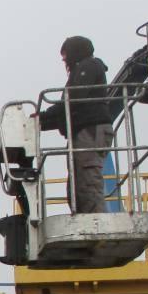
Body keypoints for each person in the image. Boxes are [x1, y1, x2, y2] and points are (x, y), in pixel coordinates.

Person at [38, 36, 114, 213]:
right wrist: (42, 120)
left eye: (65, 54)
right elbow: (68, 107)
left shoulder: (89, 66)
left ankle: (96, 221)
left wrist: (43, 116)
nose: (64, 59)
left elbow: (73, 99)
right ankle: (87, 216)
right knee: (78, 183)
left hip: (90, 130)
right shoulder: (83, 69)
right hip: (85, 130)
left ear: (75, 52)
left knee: (88, 180)